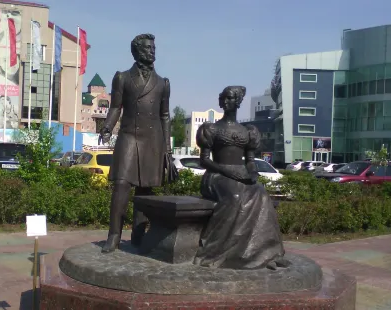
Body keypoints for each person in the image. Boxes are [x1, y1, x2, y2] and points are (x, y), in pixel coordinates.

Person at [194, 86, 289, 270]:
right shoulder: (212, 129)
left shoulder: (248, 131)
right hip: (216, 176)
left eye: (230, 98)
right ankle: (216, 253)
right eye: (224, 98)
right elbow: (204, 161)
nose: (226, 102)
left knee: (261, 193)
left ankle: (267, 253)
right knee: (235, 197)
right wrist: (230, 172)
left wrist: (252, 173)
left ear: (237, 102)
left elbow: (250, 161)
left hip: (240, 177)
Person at [99, 34, 172, 253]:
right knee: (121, 184)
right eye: (148, 48)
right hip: (129, 135)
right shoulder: (122, 77)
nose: (152, 51)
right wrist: (107, 127)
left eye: (154, 48)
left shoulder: (163, 83)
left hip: (153, 139)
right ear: (137, 51)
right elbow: (115, 107)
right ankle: (114, 236)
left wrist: (167, 149)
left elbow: (165, 116)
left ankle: (139, 236)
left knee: (145, 190)